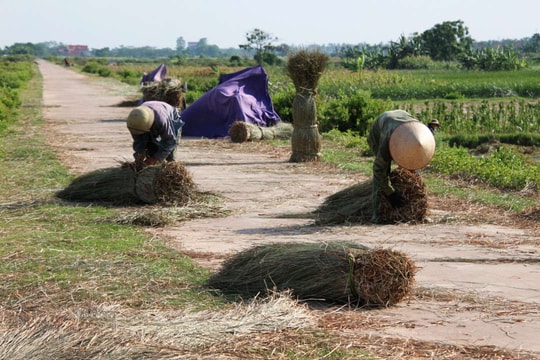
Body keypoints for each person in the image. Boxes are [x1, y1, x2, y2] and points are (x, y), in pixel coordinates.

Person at [367, 110, 436, 223]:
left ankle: (417, 212)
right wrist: (390, 193)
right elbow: (377, 170)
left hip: (403, 123)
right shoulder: (386, 140)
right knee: (383, 171)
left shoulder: (419, 133)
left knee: (412, 171)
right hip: (381, 129)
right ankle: (376, 214)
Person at [126, 101, 184, 169]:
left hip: (171, 118)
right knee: (150, 149)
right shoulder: (135, 121)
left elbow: (170, 142)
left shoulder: (161, 121)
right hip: (149, 117)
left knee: (170, 158)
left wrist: (154, 159)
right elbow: (138, 141)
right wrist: (139, 157)